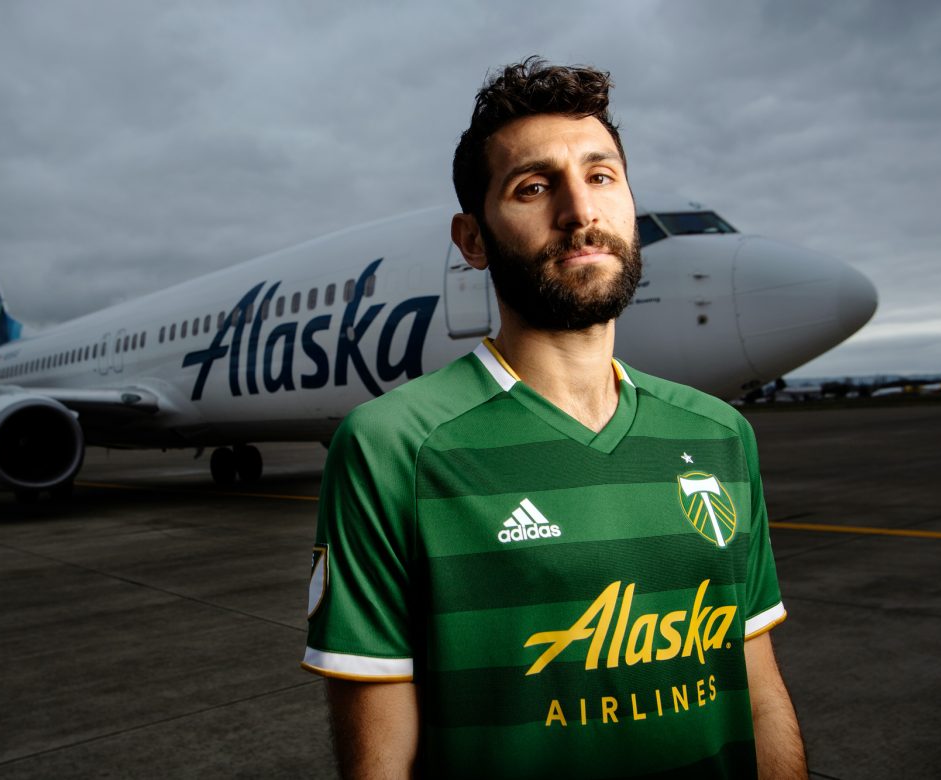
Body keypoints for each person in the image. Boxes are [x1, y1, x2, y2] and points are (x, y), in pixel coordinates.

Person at [302, 57, 807, 778]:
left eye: (601, 176)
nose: (580, 212)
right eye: (533, 187)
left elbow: (758, 694)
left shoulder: (720, 434)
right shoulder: (391, 448)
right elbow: (381, 760)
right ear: (473, 240)